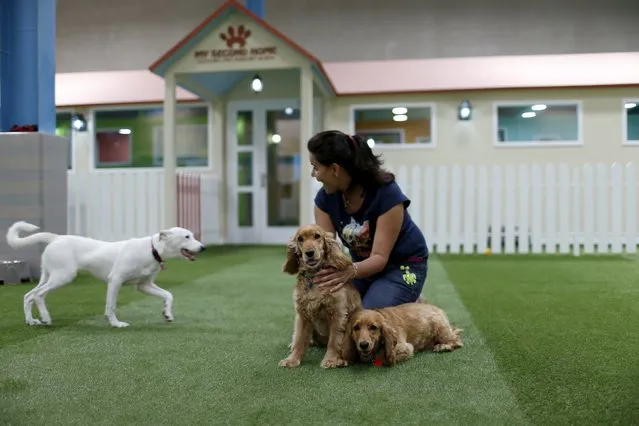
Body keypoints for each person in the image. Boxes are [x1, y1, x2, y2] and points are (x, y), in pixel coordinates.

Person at [306, 130, 429, 309]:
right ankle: (384, 295)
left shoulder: (387, 194)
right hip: (362, 270)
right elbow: (328, 249)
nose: (313, 174)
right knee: (331, 309)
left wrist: (349, 272)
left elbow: (379, 257)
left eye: (315, 167)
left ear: (334, 169)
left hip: (401, 266)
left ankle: (411, 301)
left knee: (367, 321)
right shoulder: (324, 200)